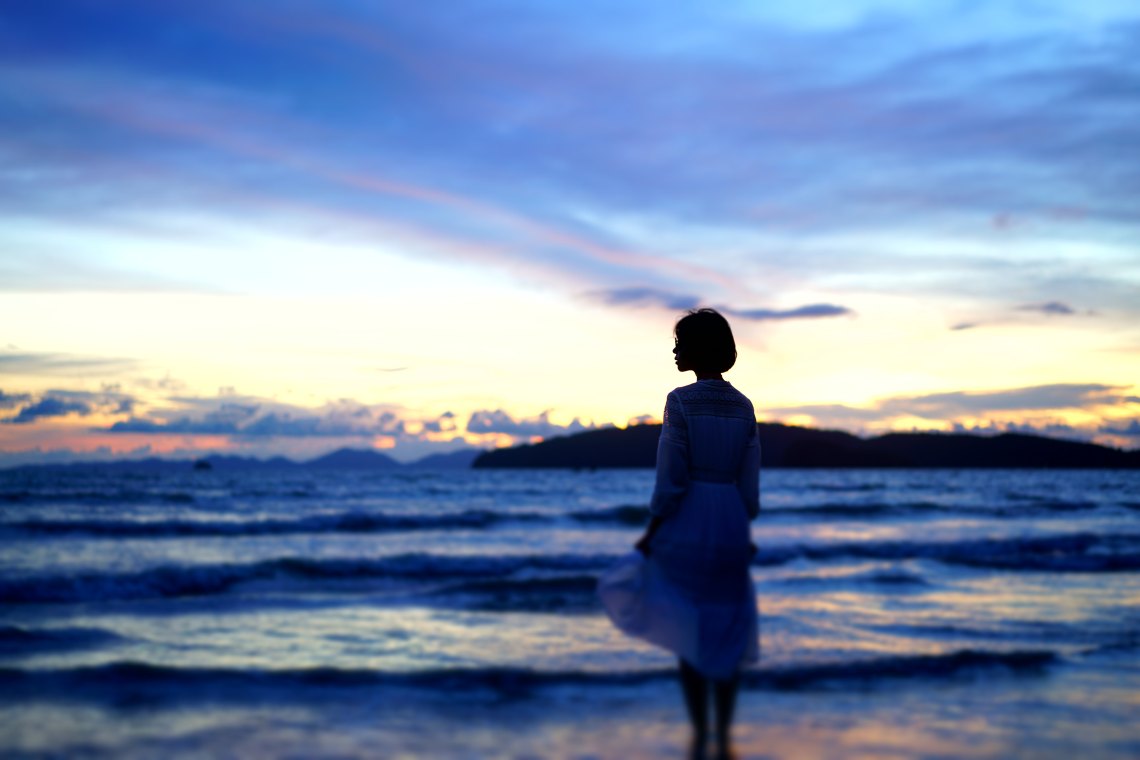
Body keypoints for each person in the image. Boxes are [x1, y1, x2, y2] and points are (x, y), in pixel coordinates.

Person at [599, 308, 760, 760]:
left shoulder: (680, 400)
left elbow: (671, 477)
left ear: (698, 349)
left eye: (679, 343)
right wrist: (742, 524)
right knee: (728, 623)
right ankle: (725, 739)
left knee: (690, 627)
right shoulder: (744, 405)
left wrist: (653, 529)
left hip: (690, 515)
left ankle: (699, 736)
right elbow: (750, 481)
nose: (674, 351)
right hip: (730, 515)